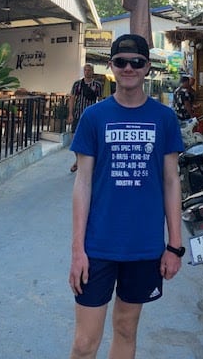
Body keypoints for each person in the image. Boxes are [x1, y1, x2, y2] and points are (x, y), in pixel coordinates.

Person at [68, 34, 184, 359]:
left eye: (136, 62)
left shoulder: (164, 118)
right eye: (121, 62)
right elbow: (83, 184)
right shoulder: (94, 117)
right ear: (111, 67)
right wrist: (77, 249)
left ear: (147, 67)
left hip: (144, 247)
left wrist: (174, 245)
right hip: (98, 246)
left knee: (125, 328)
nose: (128, 68)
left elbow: (172, 181)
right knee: (84, 343)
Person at [67, 63, 102, 173]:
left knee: (90, 139)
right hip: (78, 114)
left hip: (91, 116)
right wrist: (70, 114)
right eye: (85, 70)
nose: (87, 72)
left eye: (89, 70)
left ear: (92, 71)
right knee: (73, 138)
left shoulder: (97, 85)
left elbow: (100, 101)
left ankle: (87, 161)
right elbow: (72, 98)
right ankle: (78, 160)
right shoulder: (77, 84)